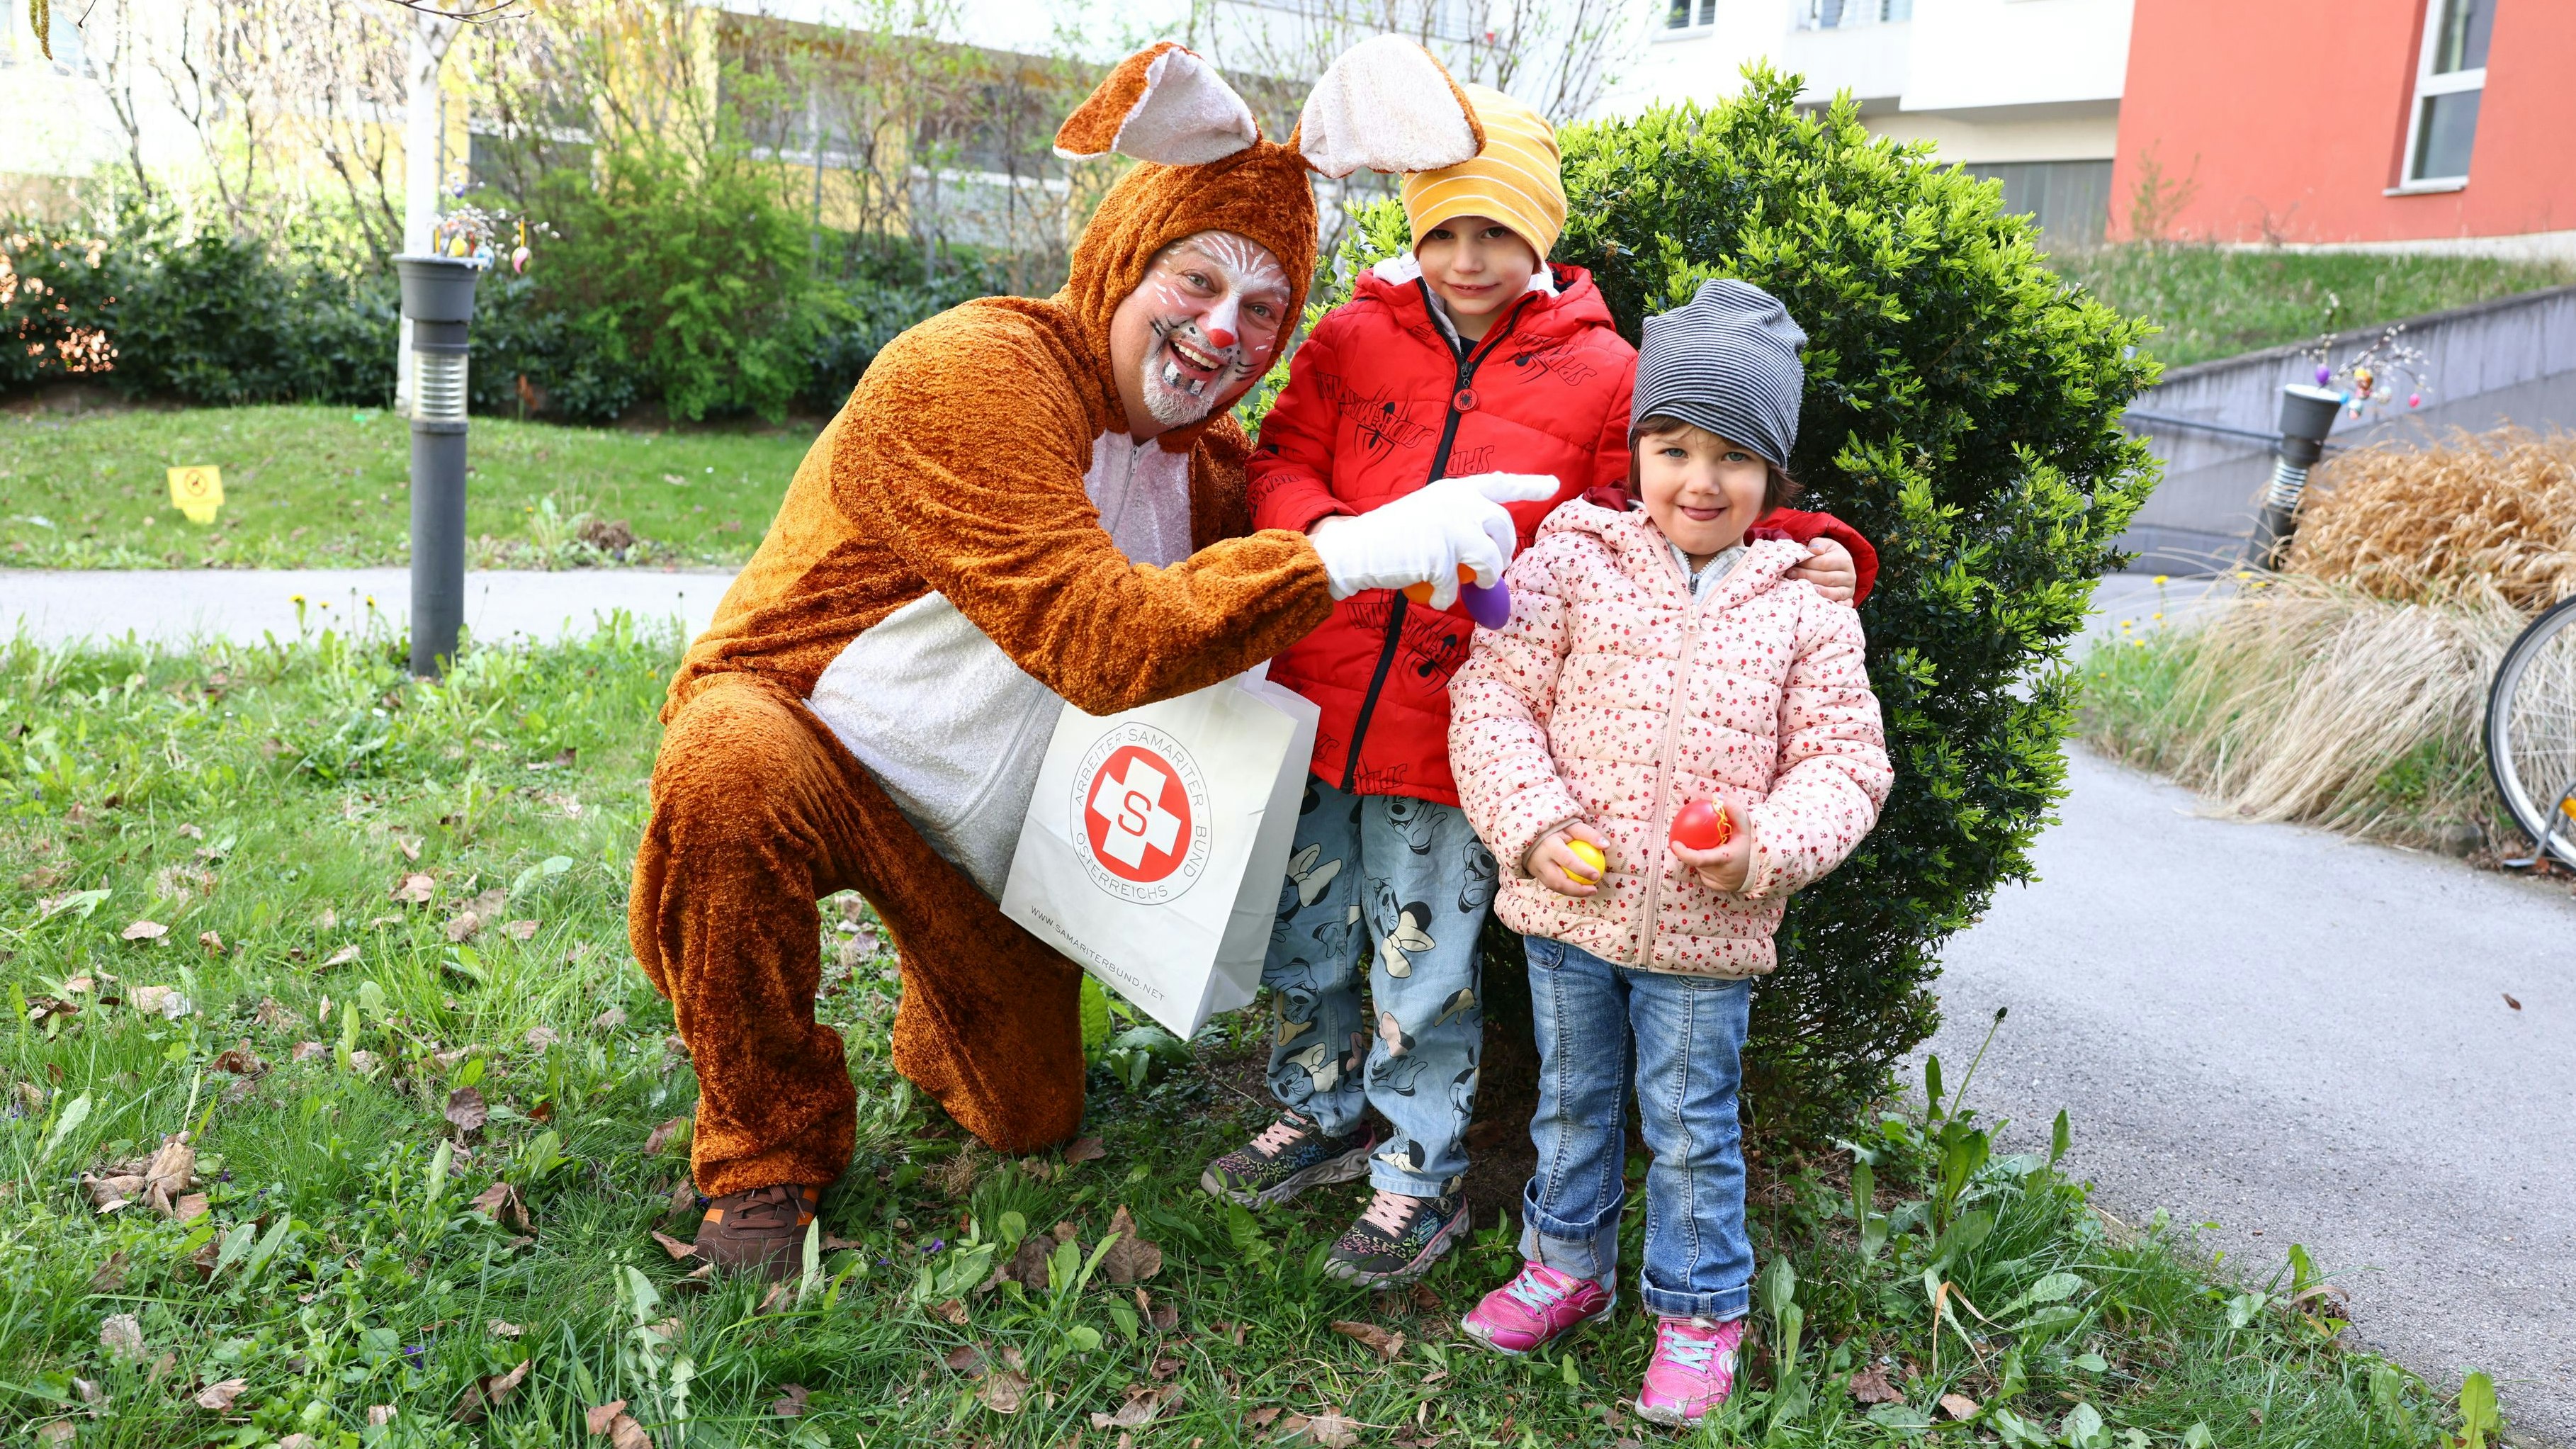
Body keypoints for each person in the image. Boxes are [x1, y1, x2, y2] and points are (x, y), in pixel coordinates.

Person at [626, 37, 1527, 1276]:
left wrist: (1778, 545)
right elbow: (1102, 639)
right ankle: (764, 1157)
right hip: (819, 745)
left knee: (1028, 1113)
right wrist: (1344, 555)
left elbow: (1282, 575)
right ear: (1122, 257)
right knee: (726, 769)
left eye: (1264, 307)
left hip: (991, 846)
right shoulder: (973, 373)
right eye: (1196, 278)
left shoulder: (1210, 469)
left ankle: (933, 1018)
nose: (1223, 329)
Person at [1199, 84, 1875, 1288]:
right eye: (1445, 229)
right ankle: (1314, 1108)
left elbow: (1681, 504)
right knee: (1304, 935)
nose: (1469, 259)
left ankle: (1417, 1171)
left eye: (1498, 233)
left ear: (1541, 237)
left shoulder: (1609, 373)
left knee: (1427, 960)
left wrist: (1825, 545)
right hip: (1317, 699)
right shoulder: (1354, 339)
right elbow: (1283, 457)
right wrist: (1333, 544)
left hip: (1451, 735)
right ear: (1413, 231)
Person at [1446, 279, 1894, 1426]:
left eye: (1735, 457)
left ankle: (1699, 1312)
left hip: (1709, 933)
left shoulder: (1806, 605)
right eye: (1675, 447)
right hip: (1570, 916)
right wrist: (1536, 827)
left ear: (1774, 476)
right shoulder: (1574, 559)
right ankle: (1565, 1266)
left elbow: (1847, 763)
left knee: (1692, 1127)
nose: (1702, 480)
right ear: (1638, 450)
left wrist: (1764, 850)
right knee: (1574, 1101)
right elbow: (1494, 698)